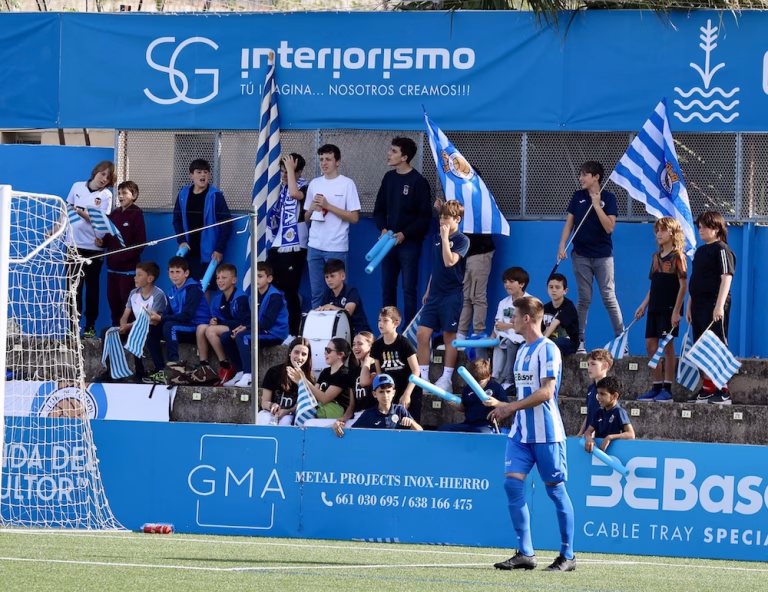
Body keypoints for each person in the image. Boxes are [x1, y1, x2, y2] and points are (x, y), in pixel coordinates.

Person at [489, 296, 576, 572]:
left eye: (514, 316)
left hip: (547, 435)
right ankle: (525, 552)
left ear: (527, 318)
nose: (511, 320)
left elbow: (547, 391)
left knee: (557, 493)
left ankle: (568, 556)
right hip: (521, 434)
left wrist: (510, 406)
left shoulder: (549, 349)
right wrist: (504, 406)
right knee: (512, 485)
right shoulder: (522, 351)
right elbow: (524, 392)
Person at [557, 161, 624, 354]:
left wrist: (596, 205)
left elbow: (609, 227)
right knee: (584, 299)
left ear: (596, 177)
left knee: (609, 297)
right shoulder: (577, 197)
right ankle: (579, 341)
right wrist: (562, 245)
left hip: (603, 256)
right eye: (581, 175)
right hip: (580, 255)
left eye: (585, 174)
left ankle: (621, 339)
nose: (581, 178)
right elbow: (569, 224)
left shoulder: (609, 198)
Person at [373, 137, 433, 329]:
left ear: (405, 157)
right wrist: (383, 228)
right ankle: (387, 328)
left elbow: (424, 218)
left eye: (394, 151)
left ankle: (407, 330)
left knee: (409, 289)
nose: (389, 154)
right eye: (390, 150)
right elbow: (379, 209)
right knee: (387, 288)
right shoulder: (388, 178)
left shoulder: (418, 182)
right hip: (387, 243)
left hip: (409, 244)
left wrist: (404, 234)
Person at [417, 200, 469, 393]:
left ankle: (446, 378)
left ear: (457, 219)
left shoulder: (463, 240)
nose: (442, 221)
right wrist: (429, 289)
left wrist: (446, 238)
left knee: (449, 336)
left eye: (446, 217)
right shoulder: (437, 237)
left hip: (452, 295)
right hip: (435, 295)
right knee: (422, 334)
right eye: (441, 217)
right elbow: (437, 266)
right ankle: (424, 379)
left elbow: (449, 262)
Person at [635, 217, 688, 402]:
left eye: (663, 230)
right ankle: (656, 386)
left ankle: (668, 388)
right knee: (651, 345)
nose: (659, 233)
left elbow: (683, 286)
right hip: (654, 307)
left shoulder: (678, 256)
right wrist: (643, 305)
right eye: (657, 230)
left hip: (669, 307)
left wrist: (676, 311)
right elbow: (654, 285)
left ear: (672, 233)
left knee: (667, 347)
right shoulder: (655, 257)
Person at [686, 211, 736, 404]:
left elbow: (726, 278)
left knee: (717, 345)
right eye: (699, 227)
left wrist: (719, 306)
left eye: (705, 226)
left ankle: (723, 390)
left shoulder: (722, 250)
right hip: (697, 304)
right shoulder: (699, 251)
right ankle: (707, 388)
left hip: (714, 304)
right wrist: (690, 304)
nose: (701, 230)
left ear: (716, 228)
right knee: (701, 346)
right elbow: (695, 280)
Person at [305, 144, 361, 309]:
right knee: (316, 293)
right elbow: (306, 217)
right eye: (321, 159)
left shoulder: (347, 184)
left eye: (328, 159)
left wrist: (328, 206)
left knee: (339, 293)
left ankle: (340, 331)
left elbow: (354, 217)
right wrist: (311, 209)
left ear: (338, 162)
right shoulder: (314, 183)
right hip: (314, 245)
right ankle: (316, 332)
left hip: (336, 246)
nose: (324, 163)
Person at [66, 160, 116, 337]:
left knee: (92, 288)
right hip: (72, 246)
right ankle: (72, 326)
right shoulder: (77, 186)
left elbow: (100, 221)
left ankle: (90, 325)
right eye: (103, 174)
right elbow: (66, 211)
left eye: (108, 177)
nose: (104, 179)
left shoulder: (106, 196)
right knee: (72, 288)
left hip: (93, 249)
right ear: (96, 172)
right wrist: (55, 230)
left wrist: (81, 212)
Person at [101, 261, 168, 384]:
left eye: (139, 275)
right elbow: (125, 315)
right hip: (134, 326)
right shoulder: (133, 293)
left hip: (152, 328)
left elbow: (149, 319)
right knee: (107, 332)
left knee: (138, 332)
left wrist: (129, 326)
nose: (134, 277)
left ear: (150, 278)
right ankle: (110, 371)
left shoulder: (158, 294)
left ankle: (140, 373)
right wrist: (122, 326)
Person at [266, 153, 309, 337]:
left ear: (298, 172)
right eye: (282, 171)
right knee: (272, 284)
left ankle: (293, 332)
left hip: (295, 244)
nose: (284, 175)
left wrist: (291, 170)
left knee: (290, 290)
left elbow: (295, 193)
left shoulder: (306, 187)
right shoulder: (281, 190)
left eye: (288, 171)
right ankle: (275, 327)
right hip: (278, 243)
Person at [97, 180, 147, 327]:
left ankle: (129, 335)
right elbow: (109, 236)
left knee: (128, 304)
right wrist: (103, 243)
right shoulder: (114, 213)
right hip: (112, 268)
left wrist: (123, 257)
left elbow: (140, 243)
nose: (120, 196)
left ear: (134, 195)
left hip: (128, 270)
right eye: (119, 193)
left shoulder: (136, 213)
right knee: (114, 304)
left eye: (124, 193)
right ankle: (116, 334)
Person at [172, 159, 232, 281]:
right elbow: (177, 220)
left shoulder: (216, 196)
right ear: (191, 176)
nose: (203, 175)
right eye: (199, 172)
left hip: (209, 253)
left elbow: (227, 224)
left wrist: (219, 249)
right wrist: (182, 241)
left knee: (204, 289)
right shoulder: (183, 194)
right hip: (188, 251)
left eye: (205, 172)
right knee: (188, 286)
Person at [148, 256, 210, 372]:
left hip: (196, 327)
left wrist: (161, 319)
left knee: (170, 326)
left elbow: (187, 316)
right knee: (152, 329)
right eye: (172, 272)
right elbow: (168, 313)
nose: (174, 275)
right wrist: (155, 319)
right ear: (168, 274)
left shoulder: (193, 289)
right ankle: (160, 369)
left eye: (178, 272)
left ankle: (174, 366)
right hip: (182, 326)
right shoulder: (172, 290)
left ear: (186, 273)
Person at [195, 264, 251, 386]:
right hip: (225, 328)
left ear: (234, 280)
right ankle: (204, 365)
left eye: (224, 277)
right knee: (201, 328)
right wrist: (213, 321)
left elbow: (244, 321)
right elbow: (215, 317)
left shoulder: (241, 297)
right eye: (218, 278)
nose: (220, 281)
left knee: (210, 331)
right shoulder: (217, 299)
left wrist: (217, 324)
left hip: (240, 327)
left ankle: (225, 365)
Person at [371, 306, 421, 421]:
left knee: (408, 422)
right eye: (379, 320)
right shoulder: (377, 346)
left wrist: (407, 394)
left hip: (409, 389)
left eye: (385, 320)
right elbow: (380, 375)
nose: (381, 324)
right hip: (389, 392)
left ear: (396, 323)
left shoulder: (404, 343)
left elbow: (416, 371)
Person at [334, 373, 422, 437]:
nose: (385, 395)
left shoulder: (400, 410)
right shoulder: (368, 414)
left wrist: (412, 423)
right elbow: (353, 433)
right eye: (381, 392)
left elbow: (421, 433)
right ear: (374, 394)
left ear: (393, 393)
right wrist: (337, 425)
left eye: (388, 391)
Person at [438, 359, 508, 434]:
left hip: (486, 425)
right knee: (442, 429)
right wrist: (456, 405)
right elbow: (464, 408)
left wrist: (495, 403)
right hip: (468, 424)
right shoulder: (468, 388)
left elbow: (507, 406)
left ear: (488, 377)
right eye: (474, 381)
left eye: (480, 381)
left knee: (483, 433)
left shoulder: (496, 387)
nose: (477, 384)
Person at [490, 267, 532, 390]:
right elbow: (498, 324)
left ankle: (509, 380)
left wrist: (508, 326)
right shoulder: (503, 302)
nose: (507, 285)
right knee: (482, 346)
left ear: (522, 284)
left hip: (521, 339)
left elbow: (529, 324)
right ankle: (488, 377)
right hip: (502, 337)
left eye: (511, 281)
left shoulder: (530, 301)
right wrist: (493, 336)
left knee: (509, 343)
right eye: (505, 282)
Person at [258, 337, 314, 426]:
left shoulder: (309, 379)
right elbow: (264, 402)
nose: (299, 357)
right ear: (289, 352)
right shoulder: (274, 371)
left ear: (308, 357)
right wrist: (272, 405)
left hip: (291, 415)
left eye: (304, 354)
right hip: (270, 412)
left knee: (286, 421)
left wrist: (287, 411)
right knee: (265, 420)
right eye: (296, 352)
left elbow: (304, 405)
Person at [297, 338, 352, 424]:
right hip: (322, 414)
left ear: (340, 354)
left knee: (308, 424)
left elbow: (324, 398)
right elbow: (313, 394)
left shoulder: (344, 374)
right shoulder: (325, 372)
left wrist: (303, 380)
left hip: (336, 418)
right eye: (325, 349)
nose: (325, 353)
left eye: (329, 350)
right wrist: (299, 381)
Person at [317, 259, 371, 335]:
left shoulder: (351, 291)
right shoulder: (327, 294)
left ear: (343, 276)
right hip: (338, 333)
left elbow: (348, 313)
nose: (329, 280)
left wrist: (330, 306)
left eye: (332, 276)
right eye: (326, 277)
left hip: (358, 332)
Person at [337, 331, 377, 433]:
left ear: (371, 347)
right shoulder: (353, 372)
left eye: (360, 344)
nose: (355, 347)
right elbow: (352, 405)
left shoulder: (376, 368)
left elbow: (365, 382)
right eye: (354, 344)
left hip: (373, 415)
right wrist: (344, 418)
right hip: (357, 416)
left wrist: (367, 361)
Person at [584, 376, 635, 452]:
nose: (599, 397)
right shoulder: (599, 412)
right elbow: (588, 431)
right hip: (599, 453)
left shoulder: (619, 412)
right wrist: (589, 438)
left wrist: (610, 437)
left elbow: (631, 435)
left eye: (603, 394)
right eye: (598, 393)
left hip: (615, 453)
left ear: (615, 396)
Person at [576, 348, 613, 437]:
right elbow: (590, 414)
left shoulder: (610, 390)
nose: (589, 368)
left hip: (601, 437)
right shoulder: (590, 389)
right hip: (589, 436)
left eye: (593, 364)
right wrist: (581, 432)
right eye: (588, 364)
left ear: (605, 366)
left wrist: (592, 433)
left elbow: (609, 415)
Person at [542, 273, 580, 357]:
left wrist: (542, 341)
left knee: (552, 345)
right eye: (551, 287)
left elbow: (556, 322)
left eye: (557, 287)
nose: (554, 290)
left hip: (569, 342)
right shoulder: (545, 308)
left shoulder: (569, 306)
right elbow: (540, 328)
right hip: (549, 339)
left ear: (565, 291)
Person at [255, 262, 289, 349]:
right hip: (260, 330)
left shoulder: (275, 296)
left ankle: (246, 363)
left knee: (242, 337)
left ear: (269, 279)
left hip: (275, 333)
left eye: (260, 276)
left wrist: (246, 327)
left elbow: (267, 323)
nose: (256, 279)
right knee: (228, 336)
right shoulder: (253, 296)